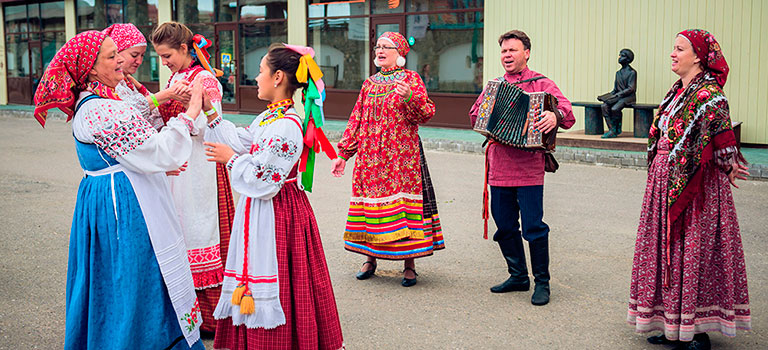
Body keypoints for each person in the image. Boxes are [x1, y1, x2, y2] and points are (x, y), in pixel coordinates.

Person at [33, 30, 205, 349]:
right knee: (132, 276)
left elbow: (135, 151)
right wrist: (191, 112)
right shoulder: (101, 110)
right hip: (123, 207)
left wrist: (157, 159)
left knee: (128, 277)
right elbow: (158, 150)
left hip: (117, 197)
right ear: (91, 69)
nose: (121, 64)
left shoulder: (108, 102)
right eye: (112, 57)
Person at [203, 43, 344, 350]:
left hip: (278, 211)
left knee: (283, 281)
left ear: (278, 77)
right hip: (264, 209)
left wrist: (231, 159)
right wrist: (210, 112)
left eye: (260, 71)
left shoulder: (286, 126)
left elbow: (265, 180)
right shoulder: (270, 118)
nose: (256, 77)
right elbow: (243, 141)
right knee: (271, 279)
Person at [627, 29, 751, 350]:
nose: (672, 53)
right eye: (673, 48)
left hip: (697, 187)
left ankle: (695, 331)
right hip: (663, 178)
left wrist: (729, 160)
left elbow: (721, 133)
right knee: (667, 253)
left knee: (690, 252)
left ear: (697, 55)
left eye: (679, 48)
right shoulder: (676, 92)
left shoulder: (709, 94)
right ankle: (672, 323)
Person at [469, 30, 575, 306]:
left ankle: (542, 283)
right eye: (504, 51)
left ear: (526, 53)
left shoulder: (542, 84)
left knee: (533, 226)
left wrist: (554, 115)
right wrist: (483, 117)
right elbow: (474, 115)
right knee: (504, 226)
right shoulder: (493, 86)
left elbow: (568, 112)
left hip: (529, 168)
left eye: (512, 50)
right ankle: (518, 276)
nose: (507, 55)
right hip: (499, 168)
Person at [333, 32, 445, 287]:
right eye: (378, 47)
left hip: (401, 158)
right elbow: (356, 120)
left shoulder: (411, 79)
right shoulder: (369, 83)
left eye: (387, 47)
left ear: (400, 53)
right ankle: (370, 259)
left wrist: (409, 97)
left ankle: (409, 264)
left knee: (404, 210)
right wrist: (343, 154)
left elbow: (426, 113)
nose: (380, 51)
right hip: (371, 158)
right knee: (371, 208)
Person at [150, 21, 236, 334]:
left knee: (200, 230)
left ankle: (211, 318)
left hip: (200, 167)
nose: (164, 62)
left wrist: (191, 106)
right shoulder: (175, 77)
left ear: (185, 49)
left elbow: (213, 126)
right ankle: (184, 313)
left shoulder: (204, 78)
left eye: (167, 55)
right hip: (176, 165)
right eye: (160, 57)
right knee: (180, 231)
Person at [103, 23, 193, 131]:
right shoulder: (107, 84)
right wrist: (167, 94)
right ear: (116, 53)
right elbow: (128, 115)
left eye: (142, 55)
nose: (139, 61)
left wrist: (144, 91)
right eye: (134, 55)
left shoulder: (126, 81)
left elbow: (153, 111)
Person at [598, 48, 637, 138]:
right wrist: (607, 96)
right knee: (604, 106)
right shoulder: (618, 73)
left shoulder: (632, 72)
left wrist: (617, 95)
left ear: (628, 59)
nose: (619, 57)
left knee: (615, 108)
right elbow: (615, 89)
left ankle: (617, 127)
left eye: (622, 56)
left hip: (629, 97)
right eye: (619, 55)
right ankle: (612, 130)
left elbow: (631, 89)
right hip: (619, 96)